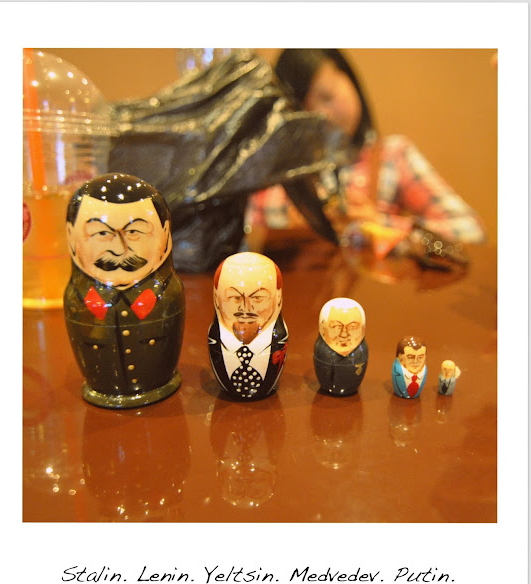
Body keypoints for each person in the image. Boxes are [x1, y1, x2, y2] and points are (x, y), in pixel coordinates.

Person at [246, 49, 486, 255]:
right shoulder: (273, 171)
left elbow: (471, 231)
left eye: (327, 96)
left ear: (351, 81)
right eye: (303, 110)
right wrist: (292, 229)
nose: (321, 116)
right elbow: (242, 243)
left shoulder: (392, 155)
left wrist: (383, 225)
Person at [64, 173, 185, 407]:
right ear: (72, 237)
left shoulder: (167, 295)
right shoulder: (78, 299)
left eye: (134, 232)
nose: (119, 250)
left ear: (165, 235)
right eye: (102, 233)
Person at [208, 252, 288, 400]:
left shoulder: (280, 339)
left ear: (278, 299)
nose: (245, 308)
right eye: (235, 297)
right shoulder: (215, 338)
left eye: (257, 298)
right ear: (216, 299)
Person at [313, 297, 368, 396]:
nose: (344, 334)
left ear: (362, 329)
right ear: (323, 329)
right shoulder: (322, 349)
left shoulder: (361, 350)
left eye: (352, 327)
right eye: (336, 327)